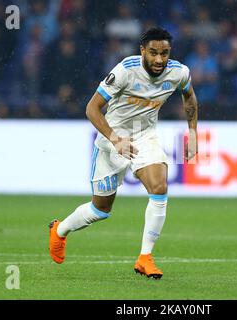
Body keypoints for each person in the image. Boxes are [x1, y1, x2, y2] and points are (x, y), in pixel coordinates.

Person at [48, 27, 198, 279]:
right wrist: (116, 139)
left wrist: (192, 132)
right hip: (111, 139)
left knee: (159, 187)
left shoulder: (179, 72)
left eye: (164, 53)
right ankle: (60, 230)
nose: (159, 59)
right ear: (142, 51)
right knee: (100, 210)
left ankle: (145, 258)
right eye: (153, 53)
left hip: (144, 136)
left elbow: (190, 97)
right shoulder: (125, 70)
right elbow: (92, 108)